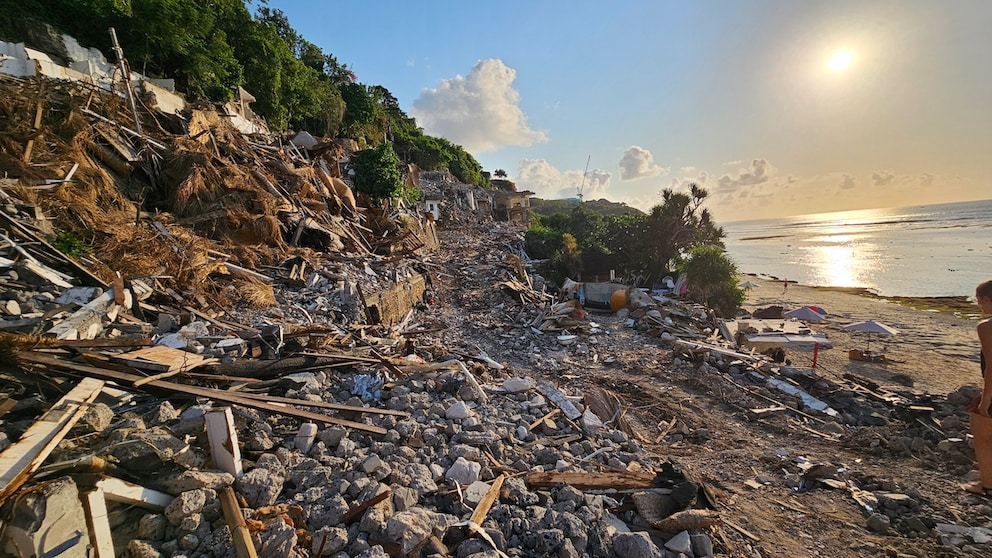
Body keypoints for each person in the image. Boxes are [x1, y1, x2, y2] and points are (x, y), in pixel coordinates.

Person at [963, 280, 992, 496]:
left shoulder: (986, 327)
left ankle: (988, 486)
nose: (978, 305)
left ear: (987, 299)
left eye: (979, 300)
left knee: (981, 435)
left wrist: (986, 399)